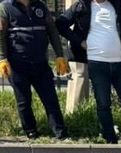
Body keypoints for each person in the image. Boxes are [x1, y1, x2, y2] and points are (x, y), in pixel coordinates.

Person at [56, 0, 121, 144]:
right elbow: (60, 23)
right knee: (103, 104)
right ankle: (110, 139)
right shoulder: (81, 7)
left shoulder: (118, 6)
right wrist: (79, 41)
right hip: (97, 63)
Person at [0, 0, 70, 140]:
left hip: (40, 63)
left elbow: (52, 31)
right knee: (23, 101)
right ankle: (31, 132)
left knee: (50, 99)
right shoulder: (5, 8)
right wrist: (2, 58)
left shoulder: (40, 6)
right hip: (17, 65)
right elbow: (0, 36)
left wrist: (59, 55)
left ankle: (60, 133)